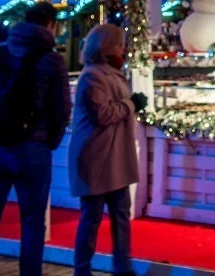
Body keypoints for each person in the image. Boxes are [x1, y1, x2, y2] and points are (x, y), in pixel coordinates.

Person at [0, 1, 71, 276]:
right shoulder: (53, 60)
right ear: (50, 25)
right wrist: (49, 142)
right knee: (32, 223)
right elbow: (61, 110)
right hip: (33, 148)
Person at [68, 25, 148, 276]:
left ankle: (122, 266)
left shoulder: (110, 74)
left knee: (120, 216)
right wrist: (130, 104)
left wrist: (129, 105)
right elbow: (103, 114)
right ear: (106, 47)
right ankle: (83, 270)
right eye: (119, 44)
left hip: (113, 158)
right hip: (97, 158)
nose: (123, 49)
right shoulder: (93, 76)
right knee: (92, 218)